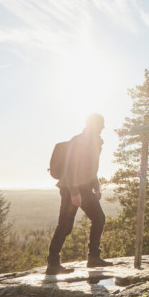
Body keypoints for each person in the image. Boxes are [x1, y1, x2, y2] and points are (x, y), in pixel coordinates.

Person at [45, 113, 112, 275]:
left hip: (80, 188)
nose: (103, 127)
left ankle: (88, 257)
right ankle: (57, 262)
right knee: (69, 225)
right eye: (101, 124)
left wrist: (96, 186)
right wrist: (74, 192)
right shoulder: (80, 141)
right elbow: (71, 167)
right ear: (94, 125)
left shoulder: (92, 141)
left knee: (71, 224)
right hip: (73, 188)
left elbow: (90, 168)